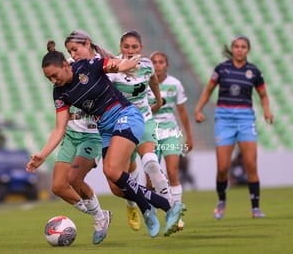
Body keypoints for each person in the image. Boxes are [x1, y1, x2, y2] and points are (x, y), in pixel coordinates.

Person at [27, 40, 186, 238]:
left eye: (54, 75)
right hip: (105, 128)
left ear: (66, 66)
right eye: (48, 78)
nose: (52, 80)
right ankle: (148, 208)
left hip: (125, 115)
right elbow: (60, 128)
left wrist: (128, 63)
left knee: (112, 169)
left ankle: (167, 206)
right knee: (114, 182)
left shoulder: (88, 66)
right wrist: (42, 155)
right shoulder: (59, 92)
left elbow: (117, 65)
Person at [194, 35, 274, 219]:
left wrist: (267, 111)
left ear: (248, 50)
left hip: (246, 119)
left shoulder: (254, 71)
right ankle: (221, 201)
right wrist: (198, 109)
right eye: (236, 46)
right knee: (223, 168)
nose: (239, 49)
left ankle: (255, 208)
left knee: (251, 164)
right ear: (233, 49)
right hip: (224, 120)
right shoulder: (222, 69)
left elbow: (263, 95)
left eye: (243, 47)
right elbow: (208, 90)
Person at [103, 31, 173, 231]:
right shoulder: (114, 68)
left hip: (144, 119)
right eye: (126, 46)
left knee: (151, 162)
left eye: (134, 47)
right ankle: (132, 205)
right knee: (124, 175)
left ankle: (172, 208)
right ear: (120, 47)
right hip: (122, 124)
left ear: (140, 48)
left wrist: (158, 101)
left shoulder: (147, 65)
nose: (130, 50)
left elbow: (153, 82)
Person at [48, 105, 111, 245]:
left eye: (55, 80)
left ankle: (100, 219)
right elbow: (65, 116)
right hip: (70, 135)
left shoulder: (97, 83)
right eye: (51, 80)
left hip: (92, 136)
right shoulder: (59, 89)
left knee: (74, 178)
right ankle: (101, 215)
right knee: (58, 187)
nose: (54, 81)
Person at [150, 51, 194, 229]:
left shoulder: (175, 84)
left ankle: (175, 216)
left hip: (170, 132)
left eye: (161, 62)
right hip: (150, 132)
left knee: (173, 173)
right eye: (154, 62)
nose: (158, 65)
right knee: (149, 180)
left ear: (167, 65)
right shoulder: (144, 84)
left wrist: (189, 136)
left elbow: (182, 112)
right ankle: (153, 214)